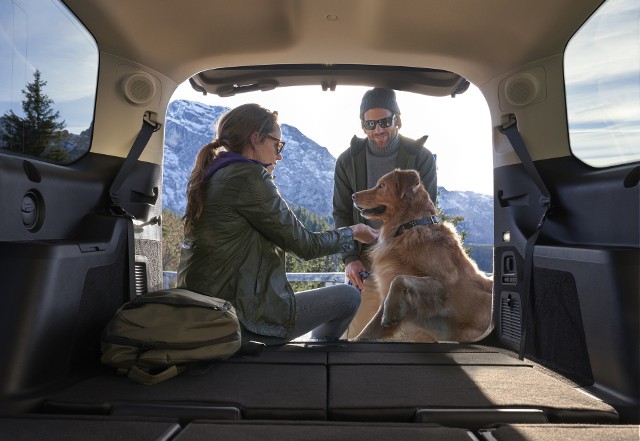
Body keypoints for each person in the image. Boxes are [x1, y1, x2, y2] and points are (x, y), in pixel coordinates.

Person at [177, 103, 378, 346]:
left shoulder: (216, 175)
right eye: (277, 145)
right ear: (255, 139)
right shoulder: (248, 177)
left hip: (209, 312)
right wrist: (354, 232)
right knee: (347, 297)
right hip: (240, 320)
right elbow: (305, 246)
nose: (279, 155)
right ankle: (310, 369)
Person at [332, 88, 438, 338]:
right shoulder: (347, 161)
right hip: (366, 265)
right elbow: (341, 213)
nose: (378, 130)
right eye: (370, 123)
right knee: (358, 337)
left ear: (397, 119)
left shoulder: (420, 157)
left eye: (384, 122)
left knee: (416, 337)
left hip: (409, 263)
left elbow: (425, 213)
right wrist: (350, 259)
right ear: (363, 125)